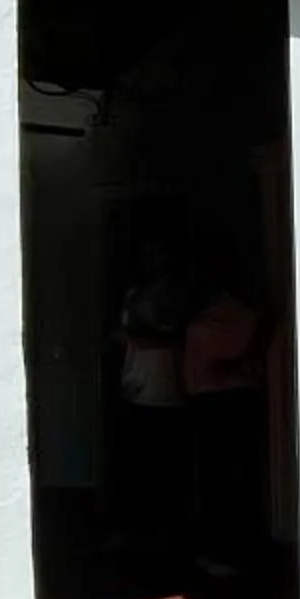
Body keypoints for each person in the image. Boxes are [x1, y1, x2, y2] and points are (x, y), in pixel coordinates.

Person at [183, 241, 269, 578]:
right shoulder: (205, 309)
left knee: (229, 477)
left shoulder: (235, 310)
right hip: (206, 399)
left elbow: (261, 337)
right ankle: (219, 548)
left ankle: (232, 552)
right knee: (214, 475)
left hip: (227, 401)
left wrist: (236, 366)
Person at [110, 238, 188, 555]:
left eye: (159, 256)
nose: (153, 262)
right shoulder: (132, 295)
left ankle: (166, 540)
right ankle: (136, 536)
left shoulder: (178, 296)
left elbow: (173, 337)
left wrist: (136, 337)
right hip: (135, 390)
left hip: (169, 393)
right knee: (137, 470)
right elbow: (124, 339)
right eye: (148, 256)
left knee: (167, 473)